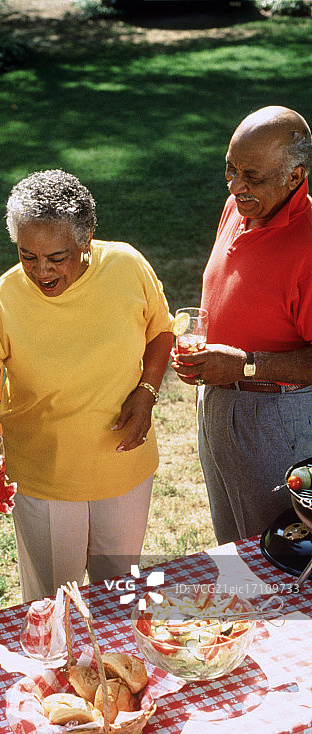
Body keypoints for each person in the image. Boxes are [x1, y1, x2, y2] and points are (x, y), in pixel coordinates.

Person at [0, 169, 173, 602]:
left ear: (86, 237)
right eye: (27, 255)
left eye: (56, 256)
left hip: (125, 468)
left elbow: (160, 331)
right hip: (46, 482)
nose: (40, 270)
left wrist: (147, 392)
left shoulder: (126, 265)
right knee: (54, 608)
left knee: (120, 598)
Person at [172, 106, 312, 545]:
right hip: (219, 402)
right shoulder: (240, 207)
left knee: (278, 555)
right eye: (230, 170)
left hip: (276, 418)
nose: (236, 187)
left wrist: (246, 365)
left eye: (252, 176)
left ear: (294, 177)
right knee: (233, 545)